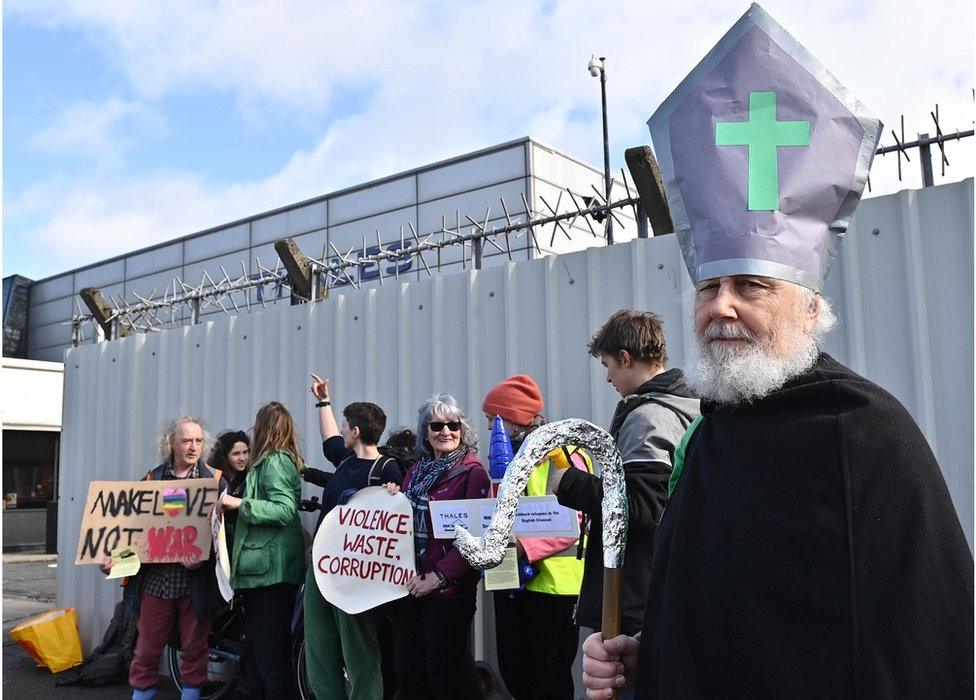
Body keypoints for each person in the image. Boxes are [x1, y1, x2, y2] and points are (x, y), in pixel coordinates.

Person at [581, 7, 973, 697]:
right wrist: (650, 656)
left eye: (751, 286)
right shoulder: (708, 440)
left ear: (812, 309)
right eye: (709, 286)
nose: (720, 306)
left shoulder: (867, 437)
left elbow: (922, 647)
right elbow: (718, 622)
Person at [550, 310, 699, 638]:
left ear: (625, 358)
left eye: (608, 366)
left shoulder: (649, 418)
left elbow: (641, 505)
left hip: (636, 599)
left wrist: (569, 483)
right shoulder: (687, 408)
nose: (607, 379)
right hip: (665, 588)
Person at [482, 374, 594, 700]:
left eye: (494, 419)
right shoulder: (502, 458)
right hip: (509, 581)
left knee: (551, 679)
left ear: (513, 418)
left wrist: (524, 549)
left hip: (553, 588)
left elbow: (579, 516)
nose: (490, 428)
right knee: (515, 672)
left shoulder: (564, 455)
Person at [304, 374, 403, 699]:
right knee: (320, 647)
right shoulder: (346, 458)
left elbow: (397, 514)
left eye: (347, 425)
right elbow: (329, 437)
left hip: (354, 573)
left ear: (357, 431)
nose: (343, 430)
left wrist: (392, 492)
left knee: (358, 651)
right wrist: (323, 400)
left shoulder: (386, 469)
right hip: (322, 567)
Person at [386, 393, 490, 699]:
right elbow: (401, 521)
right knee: (409, 672)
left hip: (447, 591)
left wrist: (439, 577)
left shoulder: (473, 473)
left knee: (445, 673)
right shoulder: (416, 472)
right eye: (436, 425)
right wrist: (391, 494)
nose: (446, 431)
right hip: (410, 587)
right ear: (425, 433)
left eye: (452, 424)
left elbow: (477, 537)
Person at [115, 416, 225, 700]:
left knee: (194, 647)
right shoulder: (153, 480)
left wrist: (206, 558)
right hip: (155, 582)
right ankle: (141, 694)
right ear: (171, 444)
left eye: (199, 441)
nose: (193, 447)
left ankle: (190, 695)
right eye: (187, 440)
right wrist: (117, 560)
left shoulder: (214, 481)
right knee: (148, 648)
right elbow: (134, 530)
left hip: (194, 584)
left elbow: (225, 536)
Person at [221, 402, 305, 699]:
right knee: (260, 652)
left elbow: (284, 509)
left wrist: (239, 504)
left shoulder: (274, 462)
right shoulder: (276, 461)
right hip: (265, 571)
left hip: (271, 573)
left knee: (269, 655)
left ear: (263, 428)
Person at [209, 430, 250, 554]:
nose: (242, 458)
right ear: (224, 456)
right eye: (236, 453)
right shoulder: (214, 480)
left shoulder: (251, 481)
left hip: (242, 547)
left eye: (245, 452)